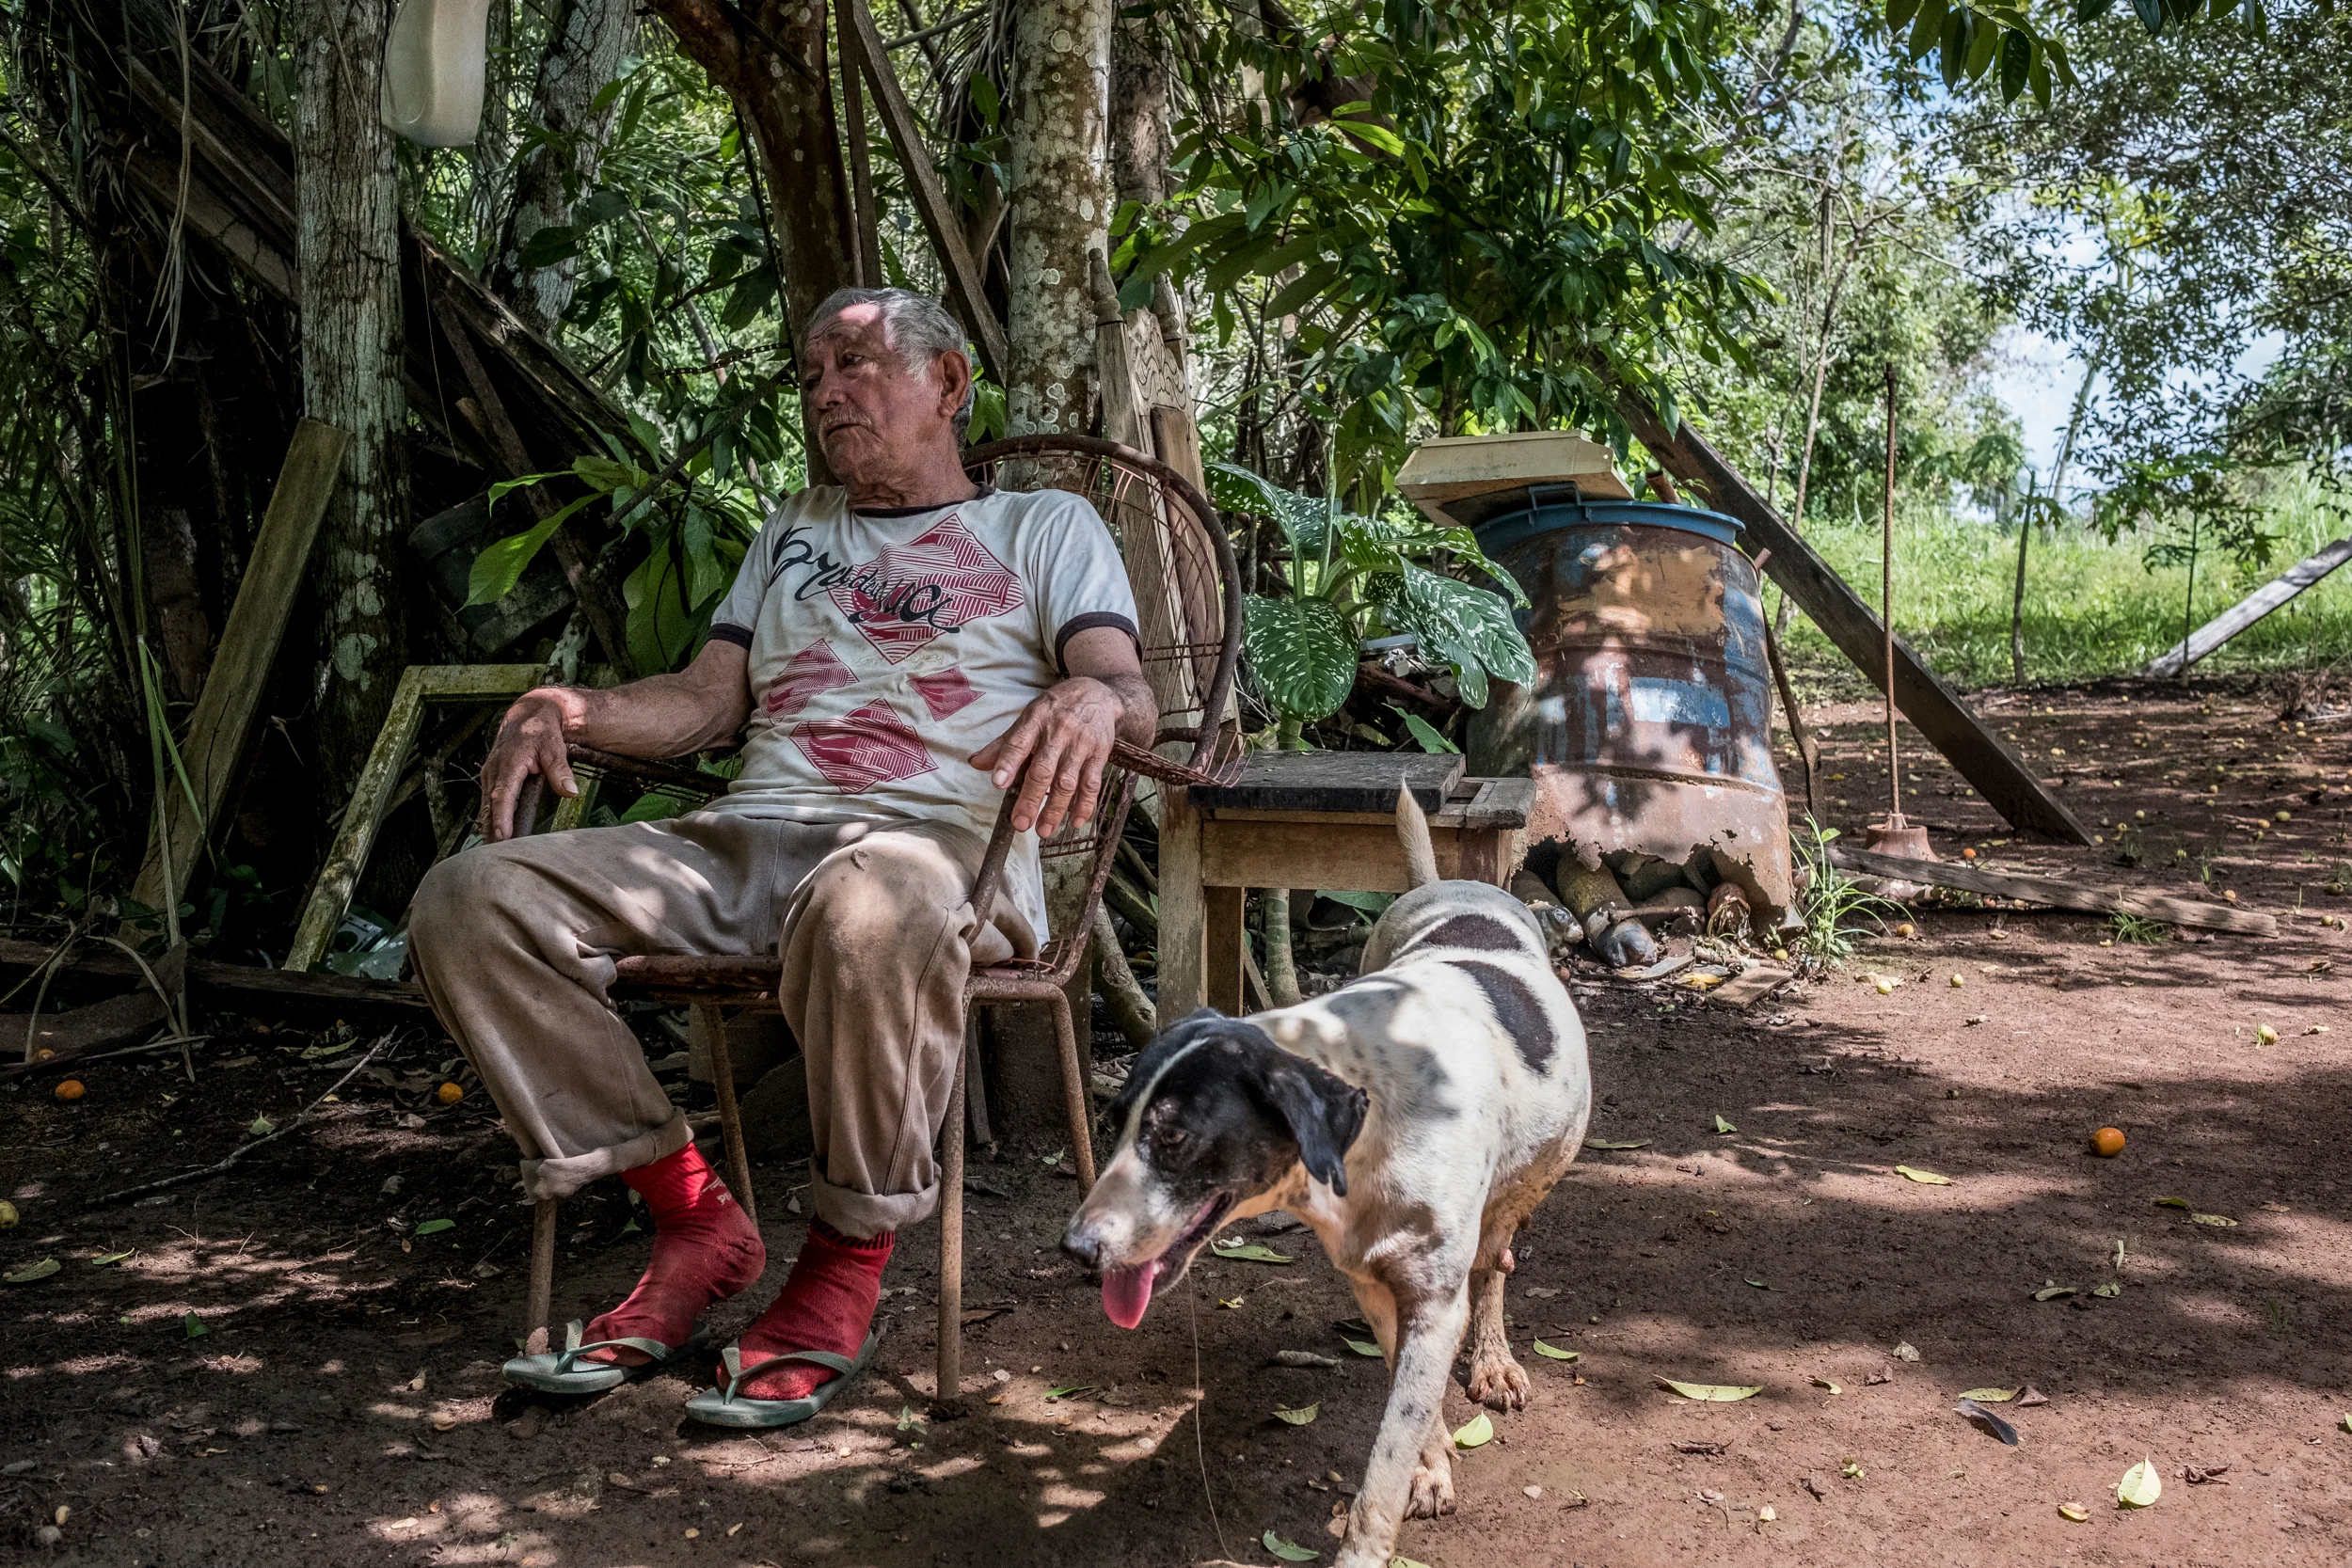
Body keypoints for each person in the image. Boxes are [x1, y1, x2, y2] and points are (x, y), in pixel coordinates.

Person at [408, 287, 1154, 1424]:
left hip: (934, 848)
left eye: (853, 363)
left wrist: (1096, 700)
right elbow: (706, 701)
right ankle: (695, 1214)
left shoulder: (1045, 527)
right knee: (469, 898)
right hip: (744, 836)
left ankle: (844, 1261)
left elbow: (1129, 691)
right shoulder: (792, 528)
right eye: (810, 377)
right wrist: (572, 703)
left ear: (948, 384)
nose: (825, 394)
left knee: (871, 906)